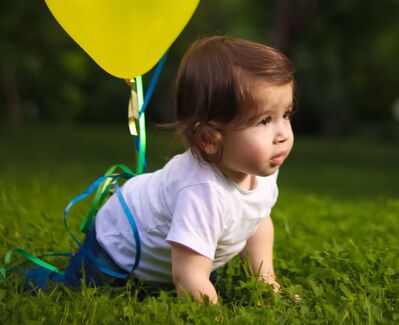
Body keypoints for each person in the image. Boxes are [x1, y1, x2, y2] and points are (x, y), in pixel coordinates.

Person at [24, 35, 295, 304]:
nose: (282, 133)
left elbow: (257, 219)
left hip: (160, 251)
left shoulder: (260, 169)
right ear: (209, 140)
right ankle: (31, 279)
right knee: (71, 291)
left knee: (178, 279)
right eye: (264, 121)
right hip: (116, 244)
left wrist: (265, 281)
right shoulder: (202, 191)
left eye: (286, 114)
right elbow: (188, 278)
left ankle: (158, 279)